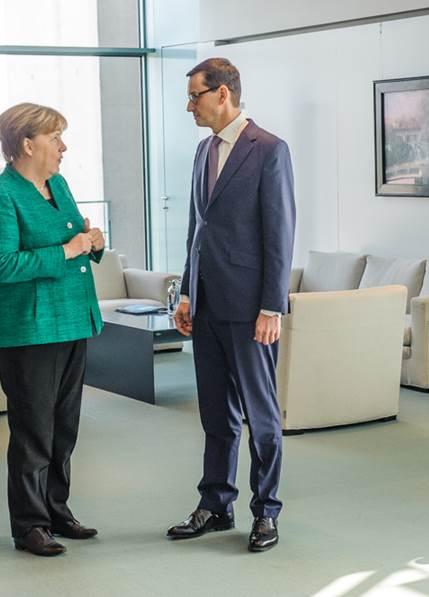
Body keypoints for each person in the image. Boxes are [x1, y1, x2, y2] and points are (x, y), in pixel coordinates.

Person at [166, 58, 296, 552]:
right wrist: (186, 293)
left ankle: (266, 512)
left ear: (223, 94)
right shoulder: (203, 150)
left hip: (249, 309)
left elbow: (280, 234)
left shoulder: (270, 150)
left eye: (194, 96)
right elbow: (197, 229)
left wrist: (271, 307)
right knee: (216, 415)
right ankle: (216, 504)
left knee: (261, 418)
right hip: (206, 305)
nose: (189, 106)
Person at [0, 102, 106, 557]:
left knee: (64, 428)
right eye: (55, 138)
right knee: (33, 430)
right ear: (28, 144)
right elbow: (3, 264)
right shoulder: (0, 195)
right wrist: (69, 250)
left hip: (72, 319)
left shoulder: (58, 185)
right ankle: (30, 525)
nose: (63, 147)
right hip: (28, 330)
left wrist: (92, 243)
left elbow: (73, 238)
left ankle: (57, 510)